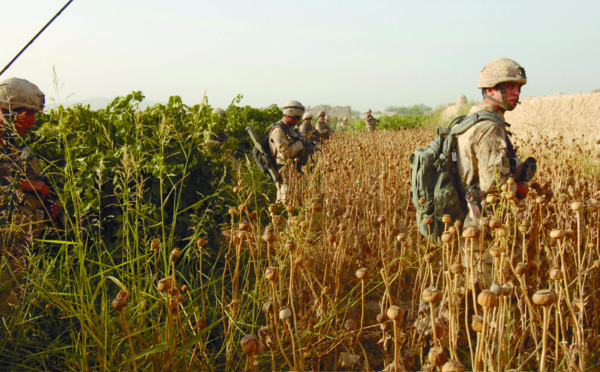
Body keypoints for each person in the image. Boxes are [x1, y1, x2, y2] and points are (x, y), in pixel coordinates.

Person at [455, 58, 530, 287]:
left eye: (518, 87)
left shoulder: (471, 118)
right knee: (487, 288)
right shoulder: (489, 127)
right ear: (490, 89)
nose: (516, 92)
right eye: (509, 86)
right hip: (483, 221)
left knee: (470, 283)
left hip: (469, 214)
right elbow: (493, 185)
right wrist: (521, 188)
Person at [0, 77, 61, 314]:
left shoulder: (18, 151)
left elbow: (44, 191)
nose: (33, 122)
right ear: (6, 112)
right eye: (28, 113)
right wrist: (23, 185)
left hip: (16, 254)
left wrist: (49, 210)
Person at [267, 100, 306, 205]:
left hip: (291, 168)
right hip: (284, 171)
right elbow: (285, 153)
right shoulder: (278, 131)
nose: (298, 121)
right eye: (296, 118)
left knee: (296, 201)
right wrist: (300, 143)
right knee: (287, 201)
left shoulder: (288, 129)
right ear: (288, 115)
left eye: (299, 118)